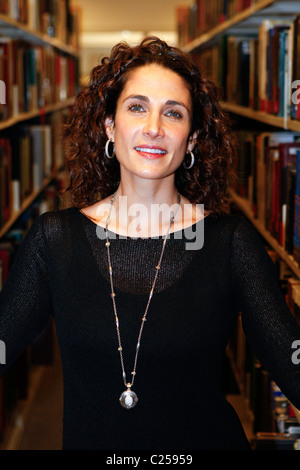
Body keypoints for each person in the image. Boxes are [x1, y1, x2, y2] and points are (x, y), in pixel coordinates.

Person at [0, 36, 300, 451]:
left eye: (173, 114)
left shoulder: (231, 243)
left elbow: (292, 362)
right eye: (137, 107)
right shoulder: (55, 240)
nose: (154, 128)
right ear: (110, 125)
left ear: (191, 140)